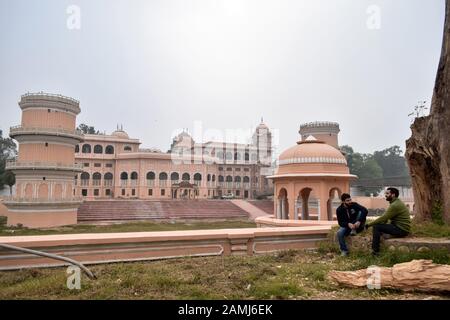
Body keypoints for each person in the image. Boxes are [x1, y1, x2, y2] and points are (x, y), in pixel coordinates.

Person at [365, 187, 411, 255]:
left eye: (387, 193)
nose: (385, 195)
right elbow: (386, 218)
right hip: (400, 228)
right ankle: (381, 238)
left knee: (376, 227)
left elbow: (383, 218)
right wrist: (382, 224)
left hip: (401, 230)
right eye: (385, 193)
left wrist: (368, 225)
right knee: (379, 227)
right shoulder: (396, 202)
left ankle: (375, 251)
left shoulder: (395, 205)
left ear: (393, 195)